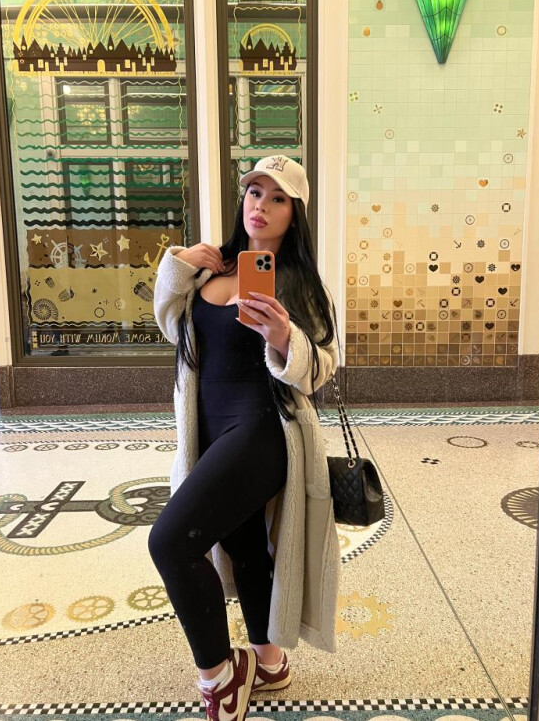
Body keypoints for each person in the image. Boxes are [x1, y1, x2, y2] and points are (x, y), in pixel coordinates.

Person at [148, 155, 341, 721]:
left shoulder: (300, 283)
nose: (261, 205)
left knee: (171, 542)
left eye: (278, 198)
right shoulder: (213, 269)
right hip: (208, 428)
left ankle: (219, 677)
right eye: (255, 192)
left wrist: (284, 338)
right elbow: (170, 324)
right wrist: (180, 265)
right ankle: (270, 661)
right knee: (245, 546)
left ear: (294, 213)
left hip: (263, 430)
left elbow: (323, 366)